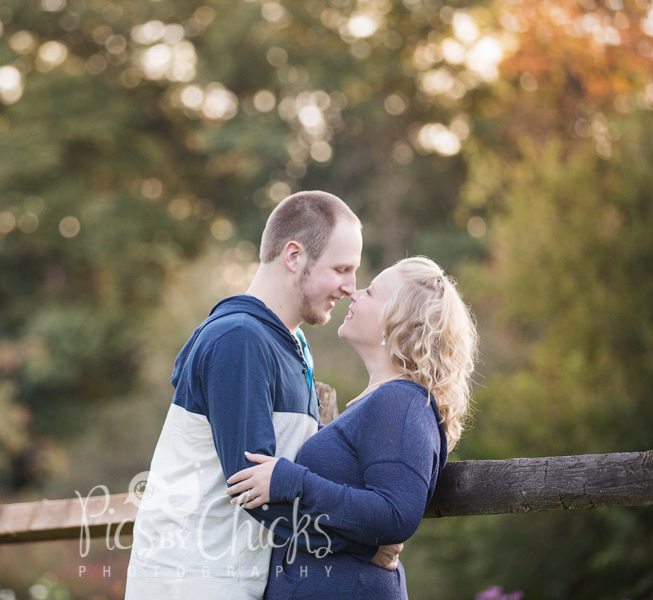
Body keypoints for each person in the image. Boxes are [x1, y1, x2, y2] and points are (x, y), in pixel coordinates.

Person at [125, 191, 399, 599]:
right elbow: (250, 486)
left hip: (238, 577)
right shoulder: (239, 339)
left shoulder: (293, 344)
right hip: (192, 579)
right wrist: (361, 545)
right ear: (293, 257)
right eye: (341, 268)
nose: (349, 287)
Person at [226, 256, 478, 599]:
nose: (354, 294)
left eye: (371, 292)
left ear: (397, 322)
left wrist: (288, 481)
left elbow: (395, 514)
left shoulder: (400, 404)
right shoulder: (382, 402)